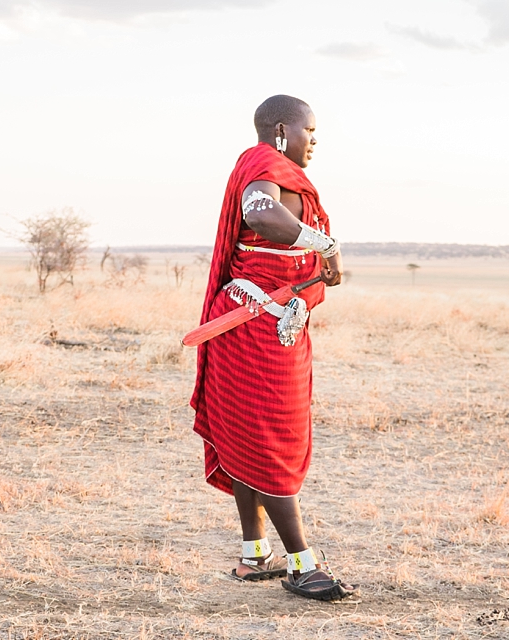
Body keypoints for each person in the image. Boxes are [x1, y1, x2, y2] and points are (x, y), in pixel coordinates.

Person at [190, 95, 355, 601]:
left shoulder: (278, 172)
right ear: (282, 129)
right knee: (269, 438)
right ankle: (302, 564)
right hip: (253, 324)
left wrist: (316, 267)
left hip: (263, 320)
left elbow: (289, 252)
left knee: (249, 434)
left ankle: (255, 553)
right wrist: (326, 245)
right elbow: (259, 214)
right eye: (310, 130)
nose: (315, 141)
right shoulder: (264, 164)